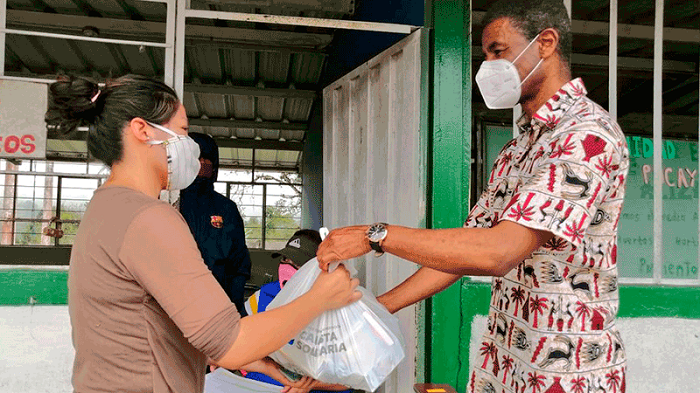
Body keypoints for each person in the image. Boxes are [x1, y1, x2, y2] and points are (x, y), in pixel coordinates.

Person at [317, 1, 629, 392]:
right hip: (508, 361)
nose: (489, 67)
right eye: (486, 56)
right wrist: (372, 312)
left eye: (498, 51)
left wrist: (375, 236)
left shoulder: (586, 136)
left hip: (567, 373)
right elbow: (459, 257)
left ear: (546, 43)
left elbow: (497, 252)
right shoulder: (518, 150)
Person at [47, 74, 361, 393]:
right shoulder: (149, 218)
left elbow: (146, 325)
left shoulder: (106, 207)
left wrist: (255, 360)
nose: (192, 148)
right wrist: (321, 296)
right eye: (183, 131)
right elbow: (231, 343)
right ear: (142, 130)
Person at [243, 229, 351, 393]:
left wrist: (308, 385)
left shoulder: (340, 306)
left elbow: (350, 379)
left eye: (298, 263)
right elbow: (244, 353)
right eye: (285, 259)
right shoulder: (263, 298)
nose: (287, 267)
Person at [179, 132, 251, 316]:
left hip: (219, 305)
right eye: (197, 158)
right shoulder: (171, 201)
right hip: (178, 303)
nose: (202, 163)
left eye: (208, 159)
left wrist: (233, 302)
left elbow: (239, 261)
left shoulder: (226, 208)